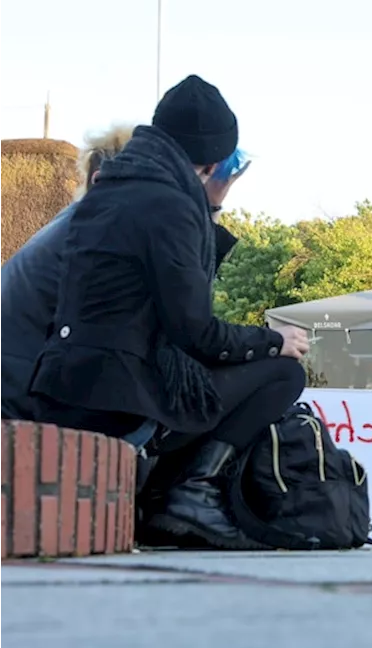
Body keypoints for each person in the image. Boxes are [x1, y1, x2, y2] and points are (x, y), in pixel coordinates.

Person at [28, 75, 312, 550]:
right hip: (118, 399)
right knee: (282, 373)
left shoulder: (110, 188)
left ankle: (168, 492)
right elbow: (195, 331)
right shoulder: (171, 204)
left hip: (63, 384)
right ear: (215, 159)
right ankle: (190, 496)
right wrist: (274, 340)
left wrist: (209, 205)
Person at [0, 124, 246, 424]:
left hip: (22, 386)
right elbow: (189, 327)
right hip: (32, 399)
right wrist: (207, 204)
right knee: (267, 379)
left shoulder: (78, 224)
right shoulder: (110, 233)